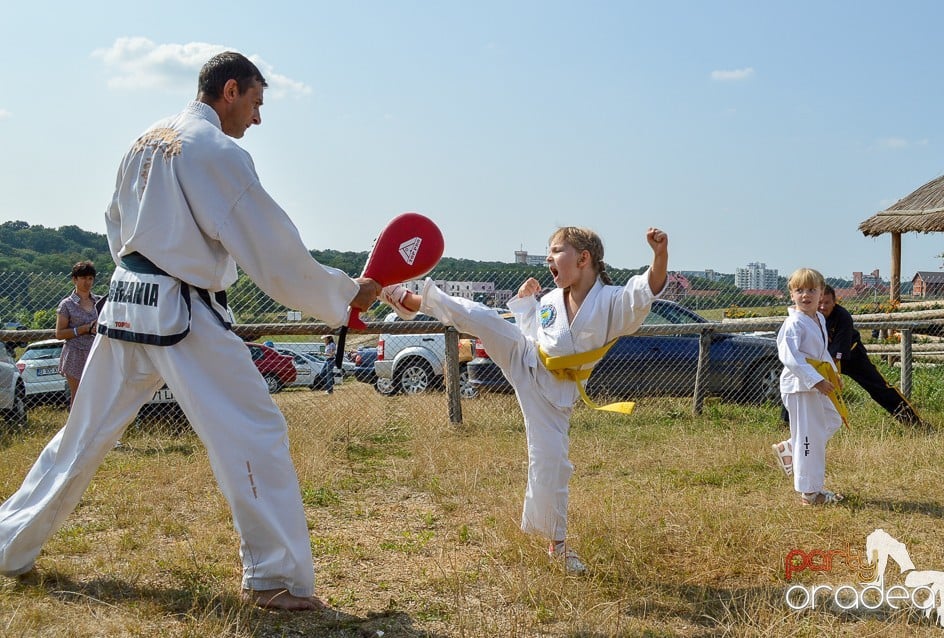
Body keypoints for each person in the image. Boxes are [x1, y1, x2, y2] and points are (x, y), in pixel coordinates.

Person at [0, 52, 381, 611]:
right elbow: (272, 250)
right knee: (254, 430)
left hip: (126, 302)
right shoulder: (216, 151)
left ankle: (8, 543)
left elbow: (114, 223)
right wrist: (345, 294)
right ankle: (273, 578)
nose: (256, 119)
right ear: (230, 90)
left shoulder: (142, 141)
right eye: (255, 103)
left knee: (80, 436)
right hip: (181, 310)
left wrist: (148, 263)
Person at [378, 226, 668, 574]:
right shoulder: (549, 301)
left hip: (554, 395)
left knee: (553, 464)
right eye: (548, 252)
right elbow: (530, 332)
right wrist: (526, 300)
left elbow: (646, 289)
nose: (548, 258)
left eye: (556, 251)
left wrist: (659, 254)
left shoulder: (611, 301)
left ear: (583, 257)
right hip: (525, 358)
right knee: (485, 319)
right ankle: (409, 300)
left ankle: (557, 546)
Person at [771, 268, 844, 506]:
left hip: (817, 384)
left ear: (822, 292)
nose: (806, 295)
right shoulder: (794, 324)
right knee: (809, 441)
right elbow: (791, 358)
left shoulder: (818, 319)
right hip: (801, 387)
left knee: (833, 420)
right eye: (799, 290)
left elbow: (822, 352)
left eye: (812, 290)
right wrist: (816, 380)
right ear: (791, 294)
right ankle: (810, 493)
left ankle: (790, 447)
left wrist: (833, 375)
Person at [819, 285, 925, 427]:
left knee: (878, 388)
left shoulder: (843, 317)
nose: (822, 307)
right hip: (823, 358)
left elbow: (836, 354)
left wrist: (827, 375)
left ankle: (914, 423)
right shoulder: (810, 315)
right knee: (803, 383)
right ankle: (789, 423)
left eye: (827, 302)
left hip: (851, 355)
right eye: (819, 302)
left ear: (834, 302)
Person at [54, 261, 101, 406]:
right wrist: (82, 329)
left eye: (90, 278)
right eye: (83, 278)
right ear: (75, 279)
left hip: (96, 351)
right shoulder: (66, 304)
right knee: (78, 396)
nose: (87, 282)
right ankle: (76, 428)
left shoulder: (99, 302)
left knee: (98, 393)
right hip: (75, 353)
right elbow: (60, 333)